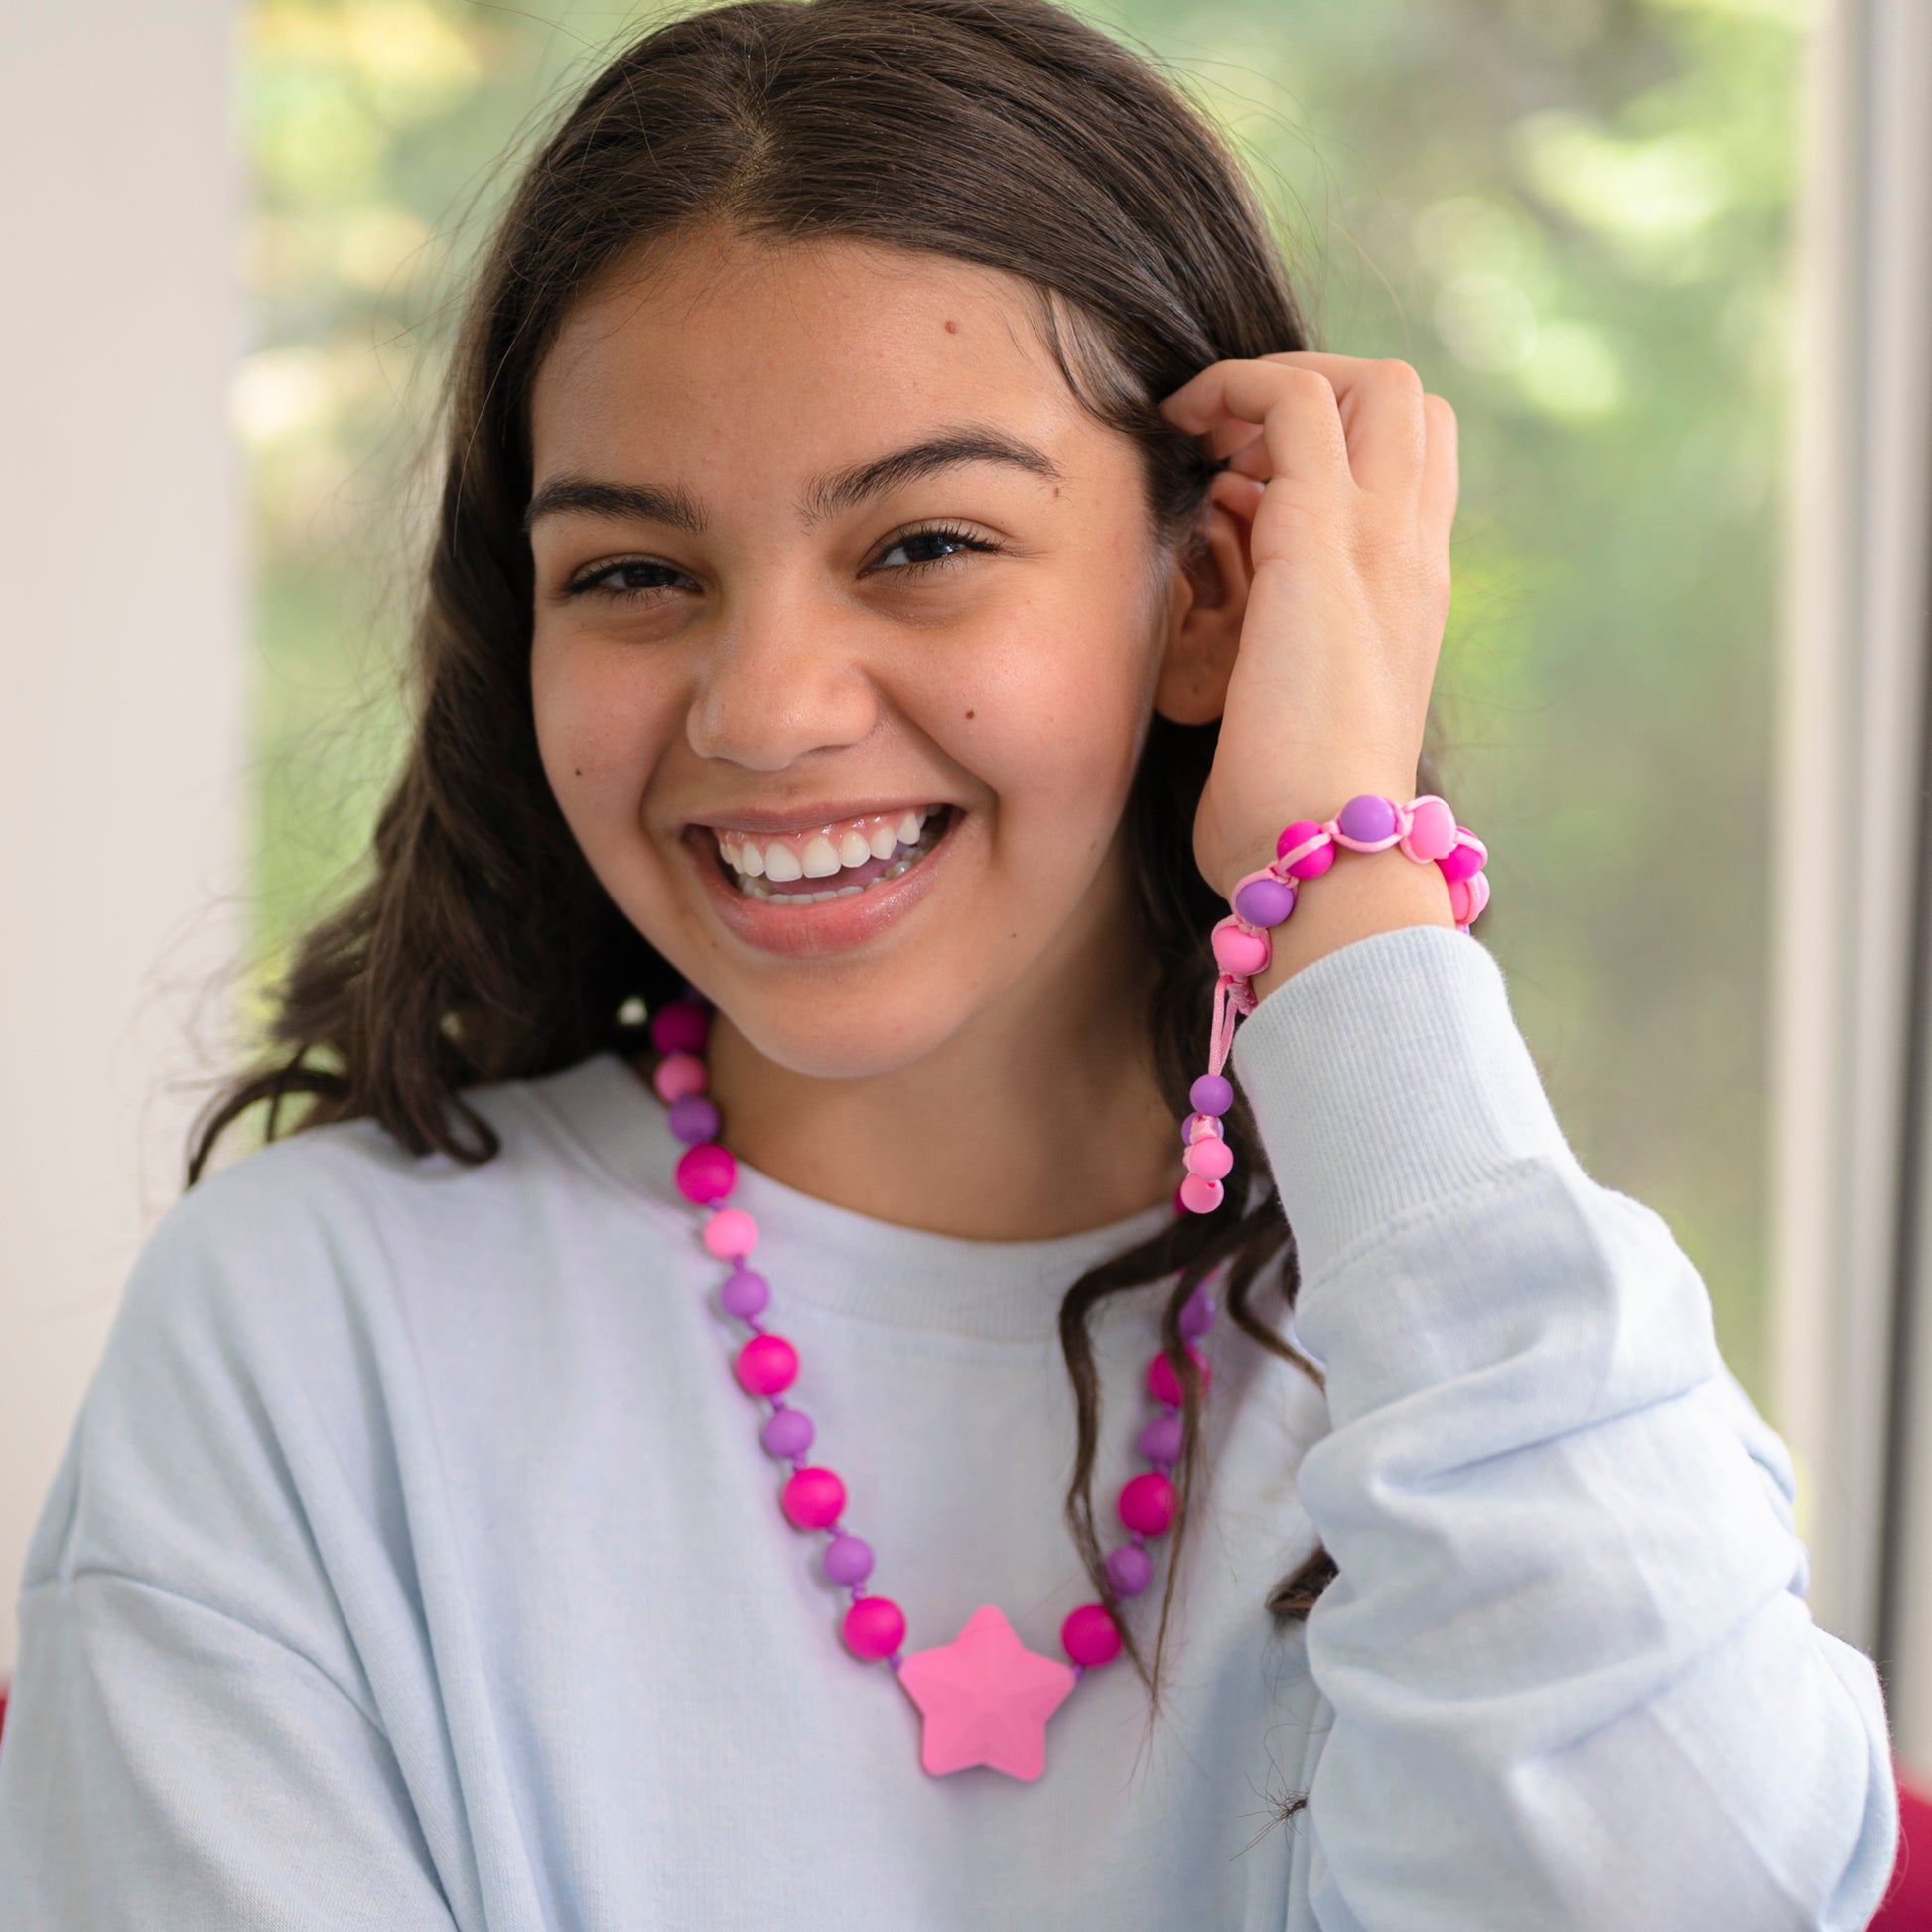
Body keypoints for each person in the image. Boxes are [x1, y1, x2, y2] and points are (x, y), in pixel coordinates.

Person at [0, 0, 1900, 1924]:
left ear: (1213, 598)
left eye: (921, 543)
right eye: (632, 573)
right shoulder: (302, 1331)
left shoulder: (1469, 1333)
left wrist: (1346, 883)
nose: (763, 708)